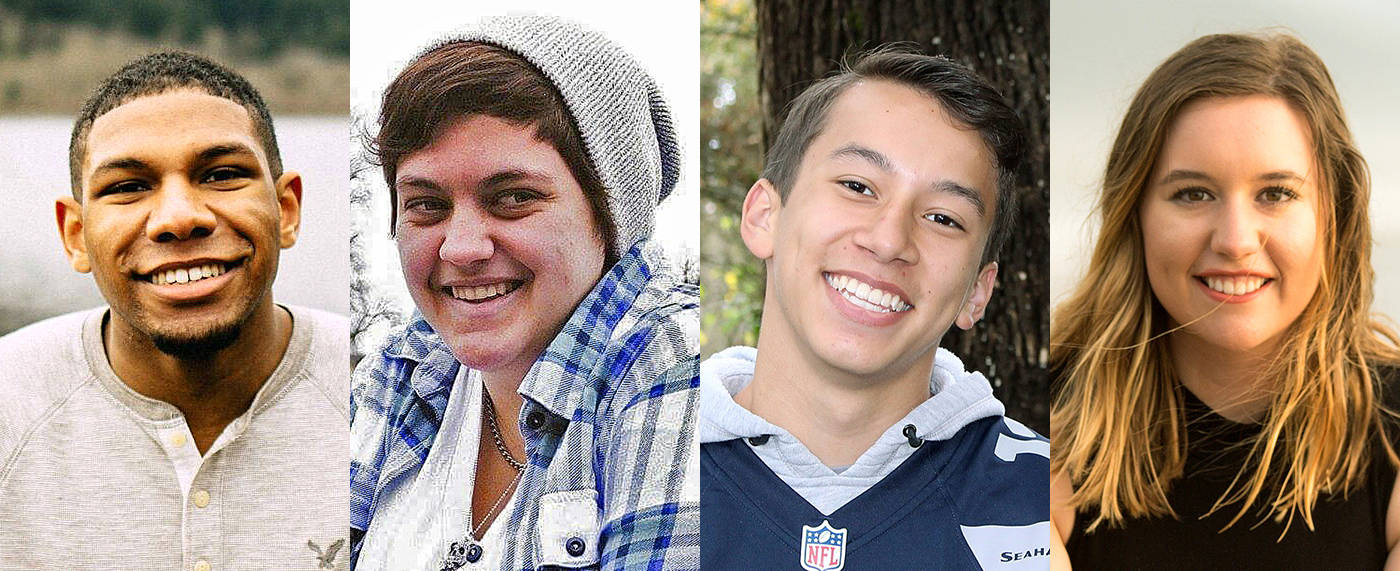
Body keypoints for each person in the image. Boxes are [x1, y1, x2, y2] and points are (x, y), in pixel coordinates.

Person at [348, 15, 699, 571]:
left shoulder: (675, 372)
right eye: (426, 205)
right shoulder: (399, 376)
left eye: (512, 197)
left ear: (610, 217)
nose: (460, 248)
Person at [1050, 32, 1400, 570]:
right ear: (1135, 214)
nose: (1235, 240)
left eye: (1276, 194)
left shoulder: (1392, 425)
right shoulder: (1045, 415)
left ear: (1335, 215)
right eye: (1193, 193)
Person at [699, 48, 1049, 569]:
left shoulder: (1048, 507)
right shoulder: (638, 469)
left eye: (942, 218)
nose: (889, 241)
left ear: (978, 290)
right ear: (764, 216)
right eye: (857, 187)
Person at [0, 52, 349, 569]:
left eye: (222, 174)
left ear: (287, 211)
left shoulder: (387, 395)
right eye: (127, 187)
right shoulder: (11, 406)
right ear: (75, 235)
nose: (179, 218)